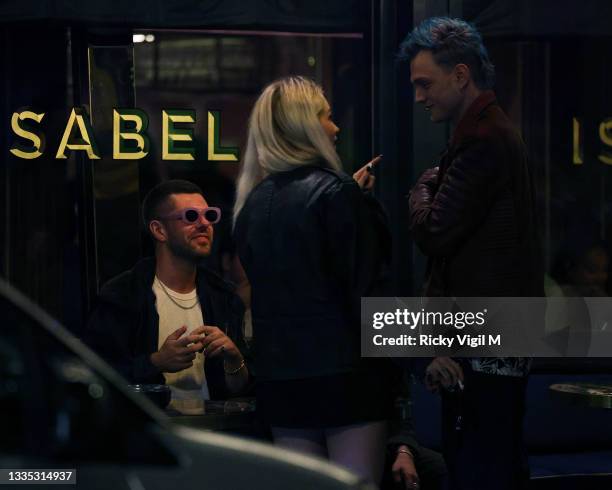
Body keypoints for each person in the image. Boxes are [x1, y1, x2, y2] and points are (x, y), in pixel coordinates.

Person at [399, 17, 543, 490]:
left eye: (425, 83)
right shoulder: (488, 131)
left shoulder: (481, 139)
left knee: (480, 467)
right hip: (493, 336)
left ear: (460, 75)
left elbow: (434, 230)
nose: (419, 97)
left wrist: (421, 186)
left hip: (485, 339)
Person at [233, 76, 396, 484]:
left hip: (282, 383)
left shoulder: (251, 205)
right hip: (345, 380)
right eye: (326, 115)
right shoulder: (337, 192)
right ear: (304, 125)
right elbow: (364, 293)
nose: (335, 127)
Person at [84, 180, 249, 414]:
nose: (204, 224)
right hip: (148, 435)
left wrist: (234, 357)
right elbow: (96, 375)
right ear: (159, 230)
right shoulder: (123, 296)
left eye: (209, 215)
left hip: (212, 431)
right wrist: (156, 362)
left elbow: (238, 390)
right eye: (191, 216)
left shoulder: (223, 296)